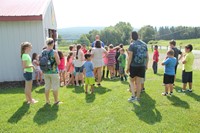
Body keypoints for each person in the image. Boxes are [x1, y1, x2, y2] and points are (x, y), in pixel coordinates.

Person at [126, 31, 149, 102]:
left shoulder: (132, 45)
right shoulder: (144, 44)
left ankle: (133, 96)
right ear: (138, 36)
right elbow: (147, 57)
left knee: (131, 81)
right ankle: (138, 97)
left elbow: (130, 57)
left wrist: (127, 67)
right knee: (139, 82)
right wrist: (146, 65)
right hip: (142, 65)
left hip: (134, 66)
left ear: (131, 36)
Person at [42, 38, 61, 105]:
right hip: (53, 72)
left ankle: (47, 101)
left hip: (46, 72)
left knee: (47, 86)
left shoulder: (43, 52)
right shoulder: (54, 52)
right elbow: (58, 63)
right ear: (53, 43)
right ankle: (56, 101)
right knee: (55, 86)